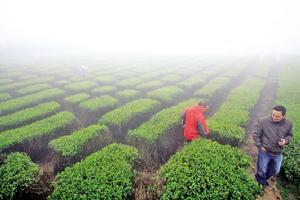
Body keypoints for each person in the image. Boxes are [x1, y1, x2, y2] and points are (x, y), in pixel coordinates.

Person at [253, 105, 293, 187]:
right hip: (265, 150)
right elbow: (256, 135)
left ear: (283, 116)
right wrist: (260, 146)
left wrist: (285, 141)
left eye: (277, 116)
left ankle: (263, 178)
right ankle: (260, 182)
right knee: (262, 169)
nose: (274, 117)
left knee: (275, 170)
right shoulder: (263, 121)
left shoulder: (288, 123)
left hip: (278, 152)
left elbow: (289, 135)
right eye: (273, 114)